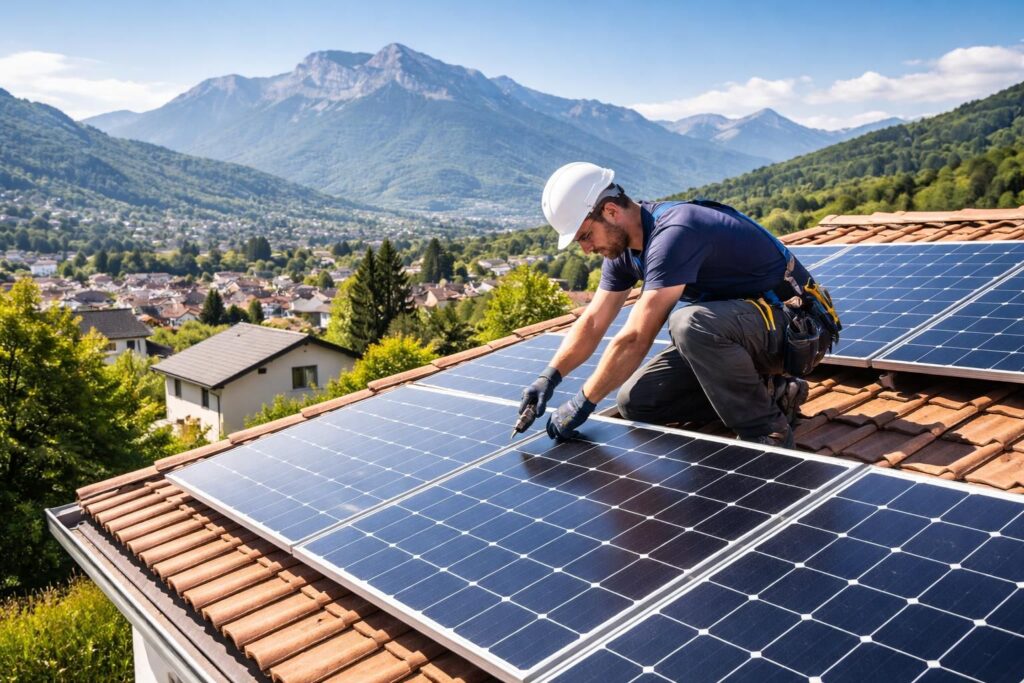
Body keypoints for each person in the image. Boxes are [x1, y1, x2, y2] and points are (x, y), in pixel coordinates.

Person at [519, 162, 840, 447]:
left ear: (611, 211)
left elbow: (636, 337)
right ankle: (775, 394)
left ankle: (766, 432)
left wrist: (583, 402)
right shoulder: (622, 252)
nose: (586, 249)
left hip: (797, 330)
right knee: (635, 401)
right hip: (744, 334)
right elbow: (593, 321)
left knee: (689, 323)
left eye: (585, 236)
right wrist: (549, 376)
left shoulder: (676, 232)